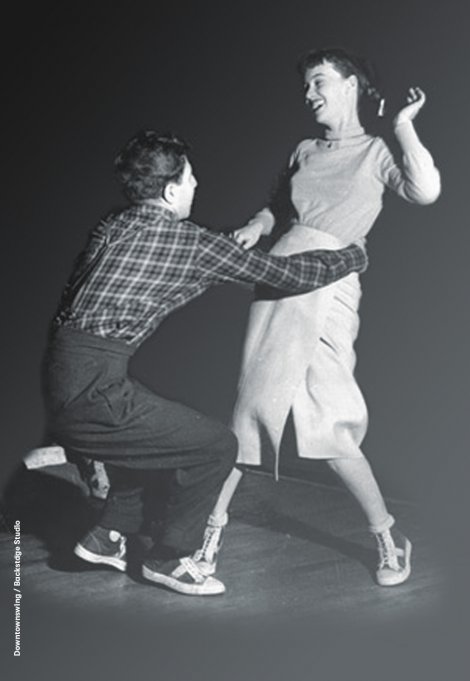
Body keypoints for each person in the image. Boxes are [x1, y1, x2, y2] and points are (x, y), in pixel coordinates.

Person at [42, 131, 367, 596]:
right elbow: (290, 275)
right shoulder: (191, 243)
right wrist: (352, 256)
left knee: (147, 438)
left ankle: (107, 536)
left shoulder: (112, 224)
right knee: (215, 445)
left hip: (60, 374)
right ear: (172, 190)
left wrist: (226, 252)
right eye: (192, 179)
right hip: (93, 387)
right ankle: (169, 559)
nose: (197, 185)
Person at [194, 48, 441, 587]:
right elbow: (278, 206)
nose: (309, 95)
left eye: (319, 82)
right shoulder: (304, 149)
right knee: (250, 411)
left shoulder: (376, 152)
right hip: (279, 277)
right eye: (306, 86)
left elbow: (425, 191)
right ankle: (207, 539)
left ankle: (387, 536)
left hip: (331, 283)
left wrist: (402, 128)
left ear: (351, 85)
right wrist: (258, 226)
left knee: (327, 423)